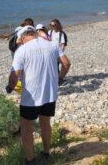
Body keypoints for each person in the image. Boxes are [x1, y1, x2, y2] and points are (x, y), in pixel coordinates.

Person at [7, 26, 70, 164]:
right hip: (49, 94)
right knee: (45, 123)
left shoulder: (22, 50)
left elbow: (14, 77)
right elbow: (66, 63)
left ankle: (30, 159)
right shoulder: (52, 45)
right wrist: (59, 79)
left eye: (19, 40)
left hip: (31, 98)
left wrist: (10, 87)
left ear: (23, 37)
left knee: (26, 126)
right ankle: (46, 153)